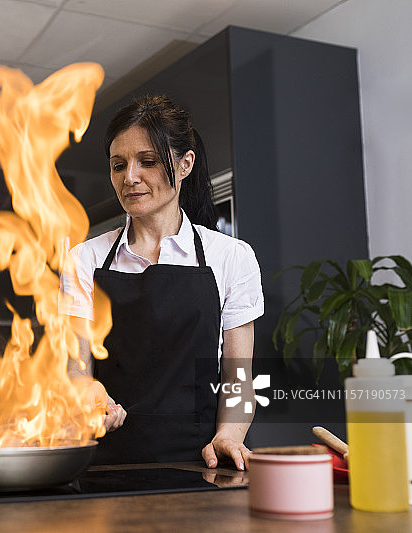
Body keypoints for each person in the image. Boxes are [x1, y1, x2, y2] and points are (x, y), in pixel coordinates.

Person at [60, 94, 264, 470]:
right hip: (105, 465)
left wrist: (230, 436)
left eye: (148, 162)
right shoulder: (84, 260)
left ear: (185, 164)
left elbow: (238, 377)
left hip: (204, 465)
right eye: (118, 165)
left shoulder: (232, 258)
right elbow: (76, 368)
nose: (129, 177)